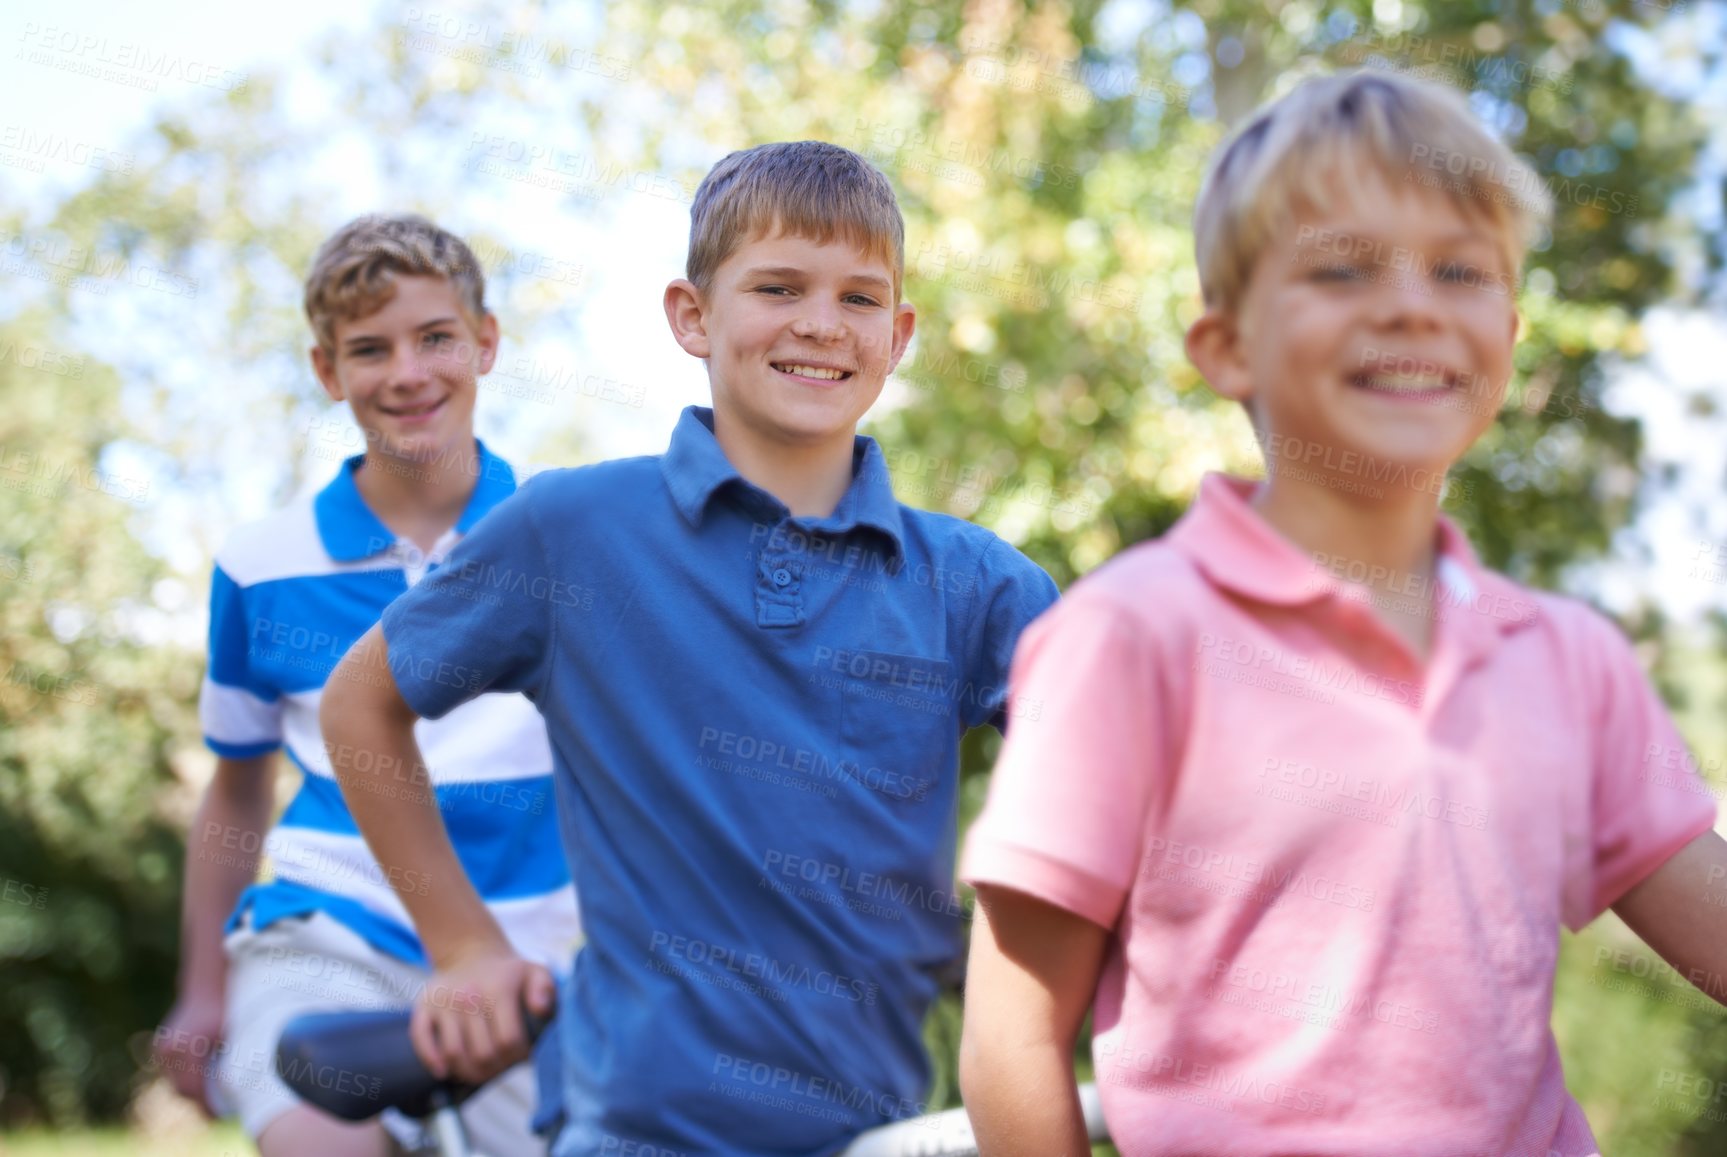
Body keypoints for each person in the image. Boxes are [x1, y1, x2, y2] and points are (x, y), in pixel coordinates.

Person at [956, 70, 1725, 1157]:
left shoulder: (1567, 659)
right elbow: (1008, 1040)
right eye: (1341, 267)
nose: (1410, 303)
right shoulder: (1125, 638)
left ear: (1504, 335)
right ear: (1225, 347)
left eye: (1456, 269)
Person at [318, 141, 1059, 1156]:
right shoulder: (571, 531)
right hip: (636, 1131)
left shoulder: (976, 585)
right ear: (691, 314)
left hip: (888, 1130)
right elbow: (358, 704)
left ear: (898, 333)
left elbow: (1133, 783)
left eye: (857, 296)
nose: (817, 321)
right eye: (778, 285)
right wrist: (460, 945)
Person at [154, 214, 579, 1157]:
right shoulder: (261, 567)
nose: (408, 372)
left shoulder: (566, 539)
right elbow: (237, 786)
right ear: (327, 371)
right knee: (318, 1141)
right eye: (369, 349)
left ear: (485, 342)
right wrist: (202, 987)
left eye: (435, 337)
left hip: (531, 961)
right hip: (328, 935)